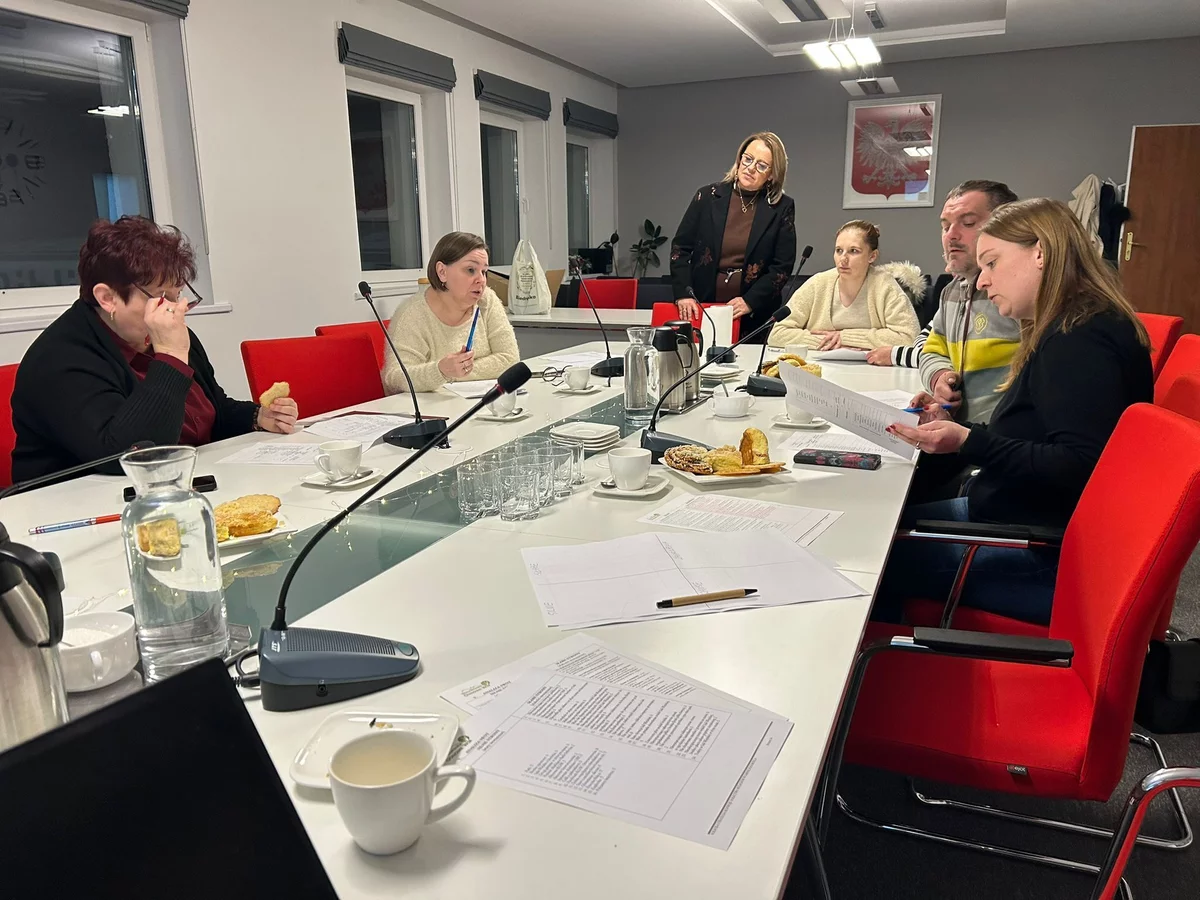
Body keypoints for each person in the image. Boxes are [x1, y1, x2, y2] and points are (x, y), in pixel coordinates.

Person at [873, 198, 1153, 625]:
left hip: (1040, 552)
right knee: (877, 527)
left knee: (869, 556)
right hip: (1015, 520)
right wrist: (956, 428)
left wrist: (970, 442)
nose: (983, 280)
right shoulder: (1073, 324)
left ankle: (898, 658)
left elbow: (1080, 463)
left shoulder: (1078, 339)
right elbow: (1036, 434)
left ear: (1040, 252)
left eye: (992, 263)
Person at [11, 217, 297, 483]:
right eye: (161, 297)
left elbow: (212, 412)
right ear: (107, 298)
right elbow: (129, 454)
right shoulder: (59, 359)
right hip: (76, 504)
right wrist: (170, 357)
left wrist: (257, 417)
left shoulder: (163, 333)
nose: (176, 310)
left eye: (177, 295)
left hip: (178, 483)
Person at [870, 181, 1022, 424]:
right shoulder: (951, 292)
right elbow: (931, 350)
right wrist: (940, 378)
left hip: (1001, 440)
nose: (951, 235)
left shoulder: (1020, 295)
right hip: (963, 436)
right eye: (945, 226)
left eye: (968, 223)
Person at [669, 132, 796, 341]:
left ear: (772, 175)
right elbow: (680, 249)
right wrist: (683, 293)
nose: (750, 168)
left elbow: (782, 266)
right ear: (739, 159)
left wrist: (750, 301)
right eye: (748, 159)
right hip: (702, 305)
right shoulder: (707, 196)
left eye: (761, 165)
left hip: (754, 313)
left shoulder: (782, 207)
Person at [383, 232, 519, 393]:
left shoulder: (486, 301)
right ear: (442, 272)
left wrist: (453, 374)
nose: (481, 280)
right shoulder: (412, 314)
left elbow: (509, 359)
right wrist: (440, 371)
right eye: (471, 270)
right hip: (430, 405)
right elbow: (396, 378)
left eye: (484, 271)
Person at [768, 221, 919, 350]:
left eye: (853, 251)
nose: (843, 259)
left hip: (870, 369)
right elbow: (777, 333)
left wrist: (844, 337)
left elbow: (909, 337)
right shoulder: (818, 283)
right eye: (839, 251)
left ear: (872, 256)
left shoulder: (885, 286)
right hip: (819, 367)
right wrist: (830, 342)